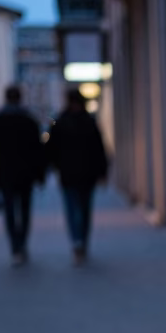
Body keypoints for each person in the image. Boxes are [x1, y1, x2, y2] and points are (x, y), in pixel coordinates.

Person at [0, 85, 45, 265]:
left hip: (6, 172)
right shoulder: (29, 120)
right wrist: (40, 174)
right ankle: (22, 243)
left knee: (9, 210)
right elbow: (37, 150)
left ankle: (15, 247)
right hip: (26, 173)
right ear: (20, 98)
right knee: (24, 210)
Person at [46, 89, 108, 265]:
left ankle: (77, 241)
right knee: (84, 209)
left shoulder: (61, 122)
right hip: (87, 174)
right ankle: (81, 241)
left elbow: (51, 150)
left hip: (69, 174)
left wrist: (53, 167)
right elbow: (99, 148)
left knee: (73, 208)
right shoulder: (88, 121)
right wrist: (102, 172)